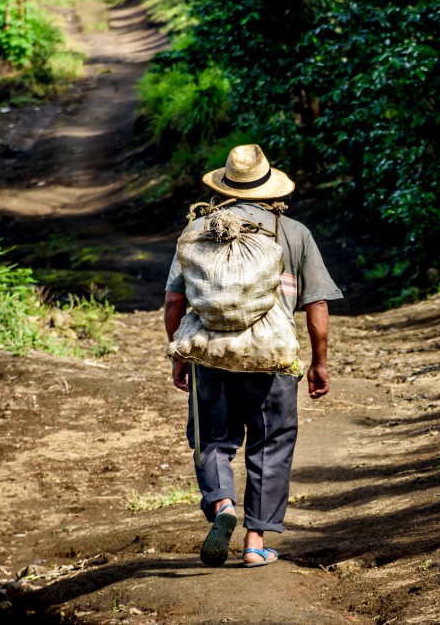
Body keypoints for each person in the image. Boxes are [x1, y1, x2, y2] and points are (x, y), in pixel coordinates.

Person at [163, 144, 343, 568]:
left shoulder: (200, 230)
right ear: (268, 185)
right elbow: (317, 306)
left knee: (212, 438)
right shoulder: (293, 232)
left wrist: (178, 352)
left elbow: (174, 300)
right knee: (271, 443)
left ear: (225, 186)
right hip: (272, 356)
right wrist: (319, 362)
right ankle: (255, 542)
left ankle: (222, 506)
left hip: (210, 352)